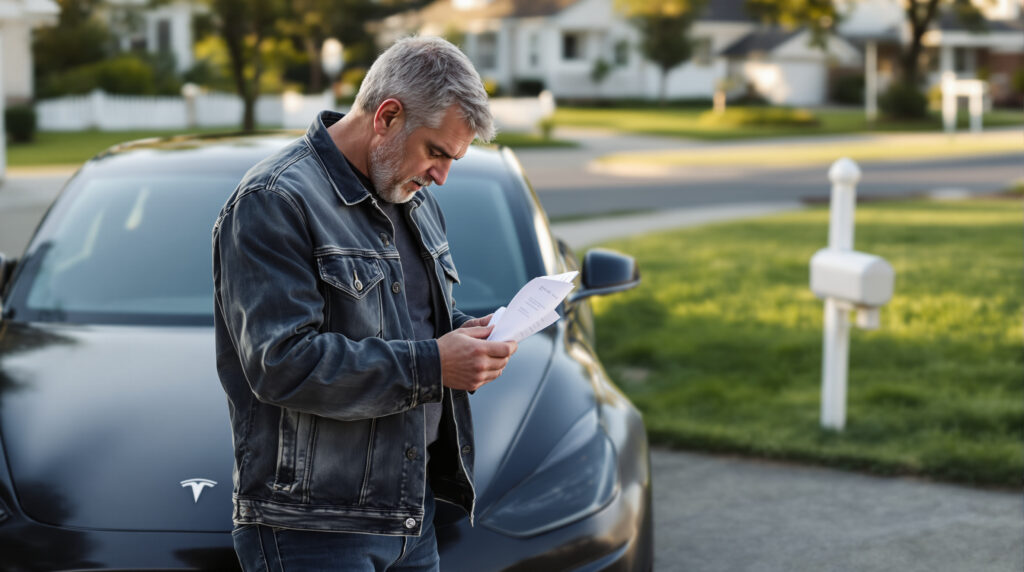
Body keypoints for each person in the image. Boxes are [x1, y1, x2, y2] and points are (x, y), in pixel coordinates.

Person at [212, 36, 518, 571]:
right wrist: (435, 363)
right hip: (313, 527)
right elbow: (281, 364)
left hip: (409, 513)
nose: (442, 176)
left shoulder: (413, 199)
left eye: (454, 159)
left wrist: (471, 334)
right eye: (437, 152)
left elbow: (409, 324)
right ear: (387, 116)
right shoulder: (275, 200)